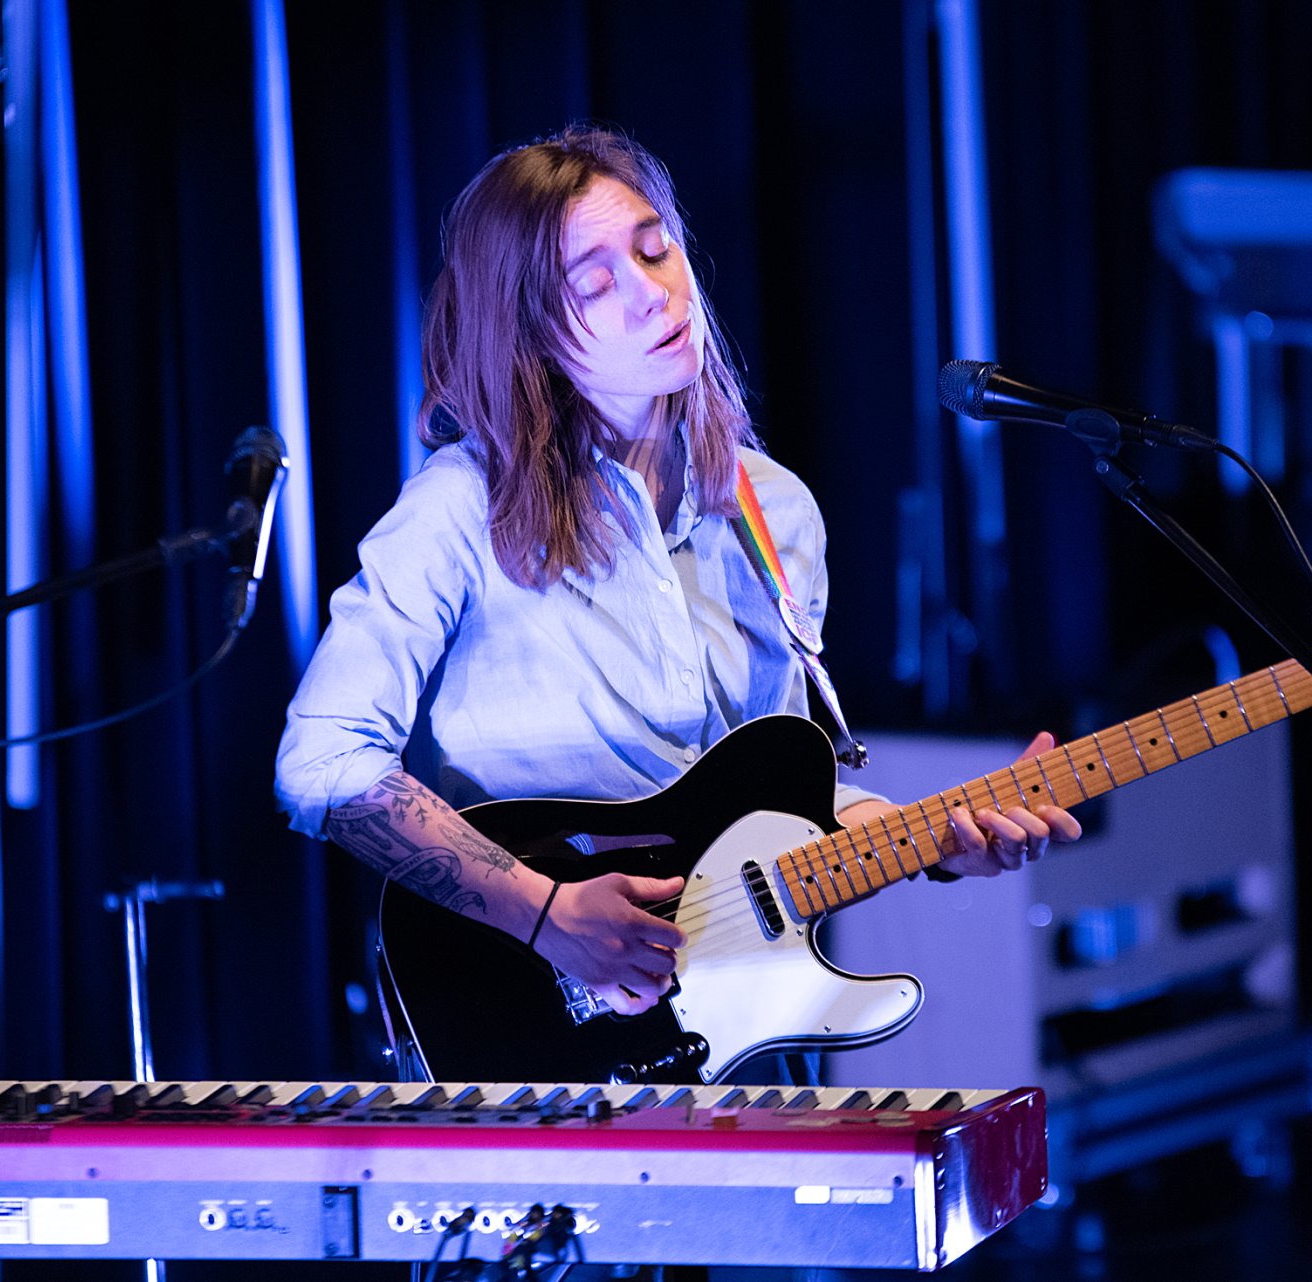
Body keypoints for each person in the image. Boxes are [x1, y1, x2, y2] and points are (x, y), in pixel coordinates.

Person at [274, 124, 1078, 1068]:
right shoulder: (460, 507)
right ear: (530, 331)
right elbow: (322, 763)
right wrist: (549, 915)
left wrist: (939, 840)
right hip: (525, 1027)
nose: (656, 292)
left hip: (737, 1032)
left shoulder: (771, 507)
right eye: (595, 283)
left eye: (658, 250)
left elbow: (778, 805)